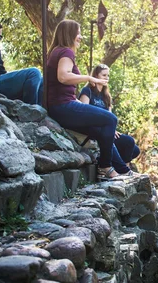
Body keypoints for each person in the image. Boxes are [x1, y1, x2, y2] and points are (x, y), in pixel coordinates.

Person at [44, 19, 125, 179]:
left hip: (58, 107)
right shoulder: (66, 52)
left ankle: (117, 168)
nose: (80, 37)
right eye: (78, 33)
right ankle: (106, 166)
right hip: (63, 106)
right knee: (110, 119)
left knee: (101, 131)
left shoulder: (56, 52)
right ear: (70, 34)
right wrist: (90, 78)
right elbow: (63, 76)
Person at [78, 64, 141, 174]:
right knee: (129, 142)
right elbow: (83, 113)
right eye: (104, 75)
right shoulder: (87, 91)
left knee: (135, 150)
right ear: (95, 76)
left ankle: (119, 166)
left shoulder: (106, 96)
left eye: (108, 75)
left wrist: (112, 130)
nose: (106, 78)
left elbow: (110, 117)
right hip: (94, 129)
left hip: (108, 130)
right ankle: (124, 170)